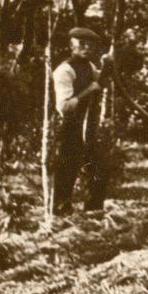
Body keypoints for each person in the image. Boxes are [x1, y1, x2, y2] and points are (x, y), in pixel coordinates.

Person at [51, 25, 111, 215]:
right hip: (68, 126)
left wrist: (107, 66)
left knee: (99, 167)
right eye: (82, 44)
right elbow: (65, 107)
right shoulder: (64, 71)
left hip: (87, 125)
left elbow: (99, 82)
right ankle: (61, 212)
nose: (87, 48)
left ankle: (94, 211)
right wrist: (88, 91)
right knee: (67, 171)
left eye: (90, 45)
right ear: (71, 45)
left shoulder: (88, 66)